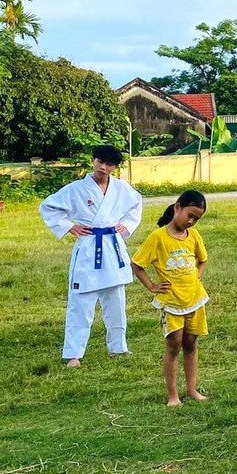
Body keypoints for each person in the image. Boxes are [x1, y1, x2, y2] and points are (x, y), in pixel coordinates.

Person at [39, 144, 144, 367]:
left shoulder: (121, 189)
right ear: (93, 160)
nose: (103, 167)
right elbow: (48, 207)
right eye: (100, 162)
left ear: (115, 167)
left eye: (109, 164)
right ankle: (73, 354)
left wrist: (126, 225)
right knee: (81, 302)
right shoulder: (76, 189)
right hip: (88, 247)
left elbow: (136, 205)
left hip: (112, 248)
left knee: (116, 301)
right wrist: (70, 227)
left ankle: (118, 347)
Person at [131, 190, 210, 406]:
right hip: (172, 303)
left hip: (195, 300)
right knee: (174, 346)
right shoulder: (158, 237)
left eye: (196, 219)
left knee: (191, 344)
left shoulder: (194, 236)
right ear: (177, 207)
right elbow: (137, 264)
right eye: (190, 215)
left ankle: (192, 390)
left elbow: (202, 259)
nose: (191, 222)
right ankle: (173, 395)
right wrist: (152, 286)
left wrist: (198, 276)